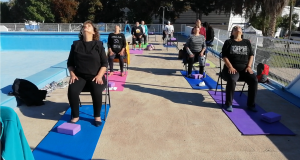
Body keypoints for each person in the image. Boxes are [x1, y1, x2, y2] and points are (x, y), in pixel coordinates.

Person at [67, 20, 108, 127]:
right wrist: (72, 74)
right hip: (80, 76)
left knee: (97, 90)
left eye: (89, 26)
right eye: (84, 26)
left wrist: (99, 75)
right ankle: (75, 115)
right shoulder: (76, 45)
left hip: (96, 76)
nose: (86, 27)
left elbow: (104, 63)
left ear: (94, 32)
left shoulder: (98, 45)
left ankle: (97, 116)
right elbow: (70, 63)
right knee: (72, 89)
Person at [221, 26, 258, 112]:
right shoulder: (228, 42)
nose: (237, 28)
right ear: (232, 32)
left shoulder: (246, 42)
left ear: (242, 32)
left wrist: (249, 67)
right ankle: (229, 104)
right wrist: (230, 67)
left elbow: (251, 55)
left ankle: (251, 105)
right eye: (235, 28)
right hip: (231, 69)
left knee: (254, 80)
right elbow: (224, 56)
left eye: (239, 28)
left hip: (245, 69)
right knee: (232, 79)